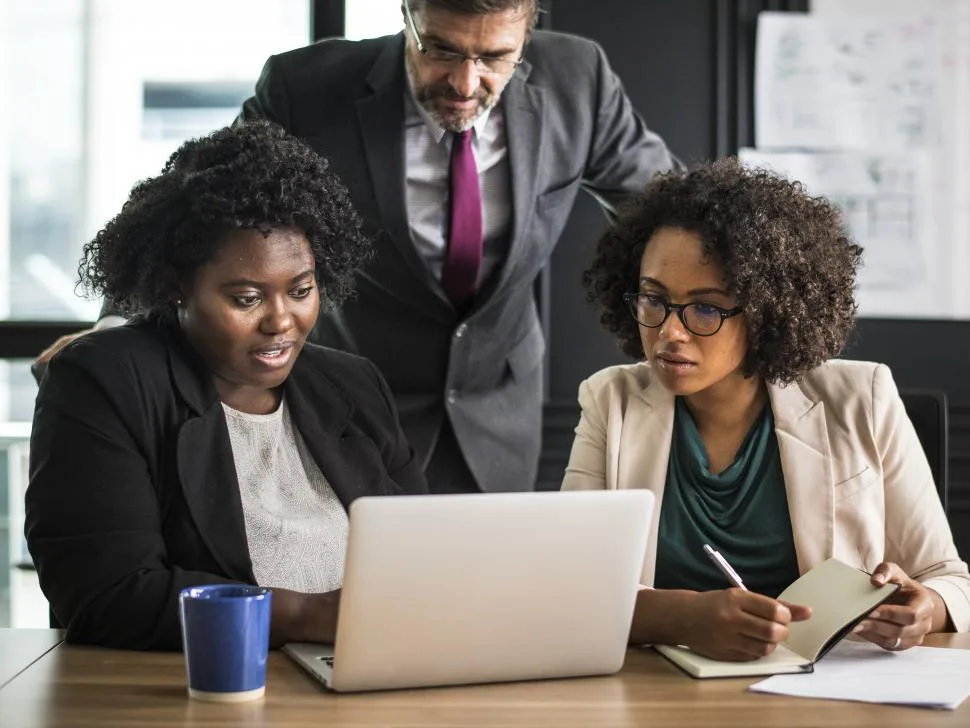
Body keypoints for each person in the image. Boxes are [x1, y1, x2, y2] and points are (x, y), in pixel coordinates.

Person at [234, 0, 678, 494]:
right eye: (441, 50)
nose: (465, 85)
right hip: (348, 404)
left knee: (489, 569)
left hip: (499, 408)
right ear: (407, 16)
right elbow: (217, 221)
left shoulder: (578, 79)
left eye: (494, 57)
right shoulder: (303, 88)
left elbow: (671, 212)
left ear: (526, 37)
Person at [25, 120, 428, 651]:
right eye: (246, 299)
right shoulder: (105, 380)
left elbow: (426, 558)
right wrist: (307, 614)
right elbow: (106, 596)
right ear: (177, 287)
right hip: (197, 690)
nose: (281, 321)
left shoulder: (352, 384)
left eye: (301, 290)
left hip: (361, 677)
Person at [562, 159, 970, 661]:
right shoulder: (610, 402)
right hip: (658, 693)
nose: (670, 331)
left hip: (828, 694)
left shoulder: (861, 397)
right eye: (653, 300)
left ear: (765, 311)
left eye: (706, 308)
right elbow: (568, 592)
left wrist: (924, 609)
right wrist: (683, 616)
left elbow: (949, 579)